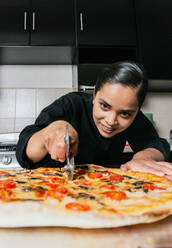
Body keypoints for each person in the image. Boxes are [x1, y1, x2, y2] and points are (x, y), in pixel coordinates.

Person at [16, 61, 172, 180]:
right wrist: (52, 131)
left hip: (103, 192)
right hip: (51, 187)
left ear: (137, 109)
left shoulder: (135, 118)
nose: (111, 121)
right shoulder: (71, 104)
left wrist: (143, 157)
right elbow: (25, 150)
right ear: (94, 92)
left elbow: (156, 144)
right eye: (104, 106)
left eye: (125, 114)